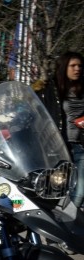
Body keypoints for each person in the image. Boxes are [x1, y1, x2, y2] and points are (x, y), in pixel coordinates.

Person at [35, 51, 84, 207]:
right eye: (73, 66)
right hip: (57, 146)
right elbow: (35, 112)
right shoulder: (50, 89)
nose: (77, 69)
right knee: (55, 189)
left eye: (80, 66)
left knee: (80, 191)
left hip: (80, 146)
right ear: (64, 67)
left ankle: (70, 223)